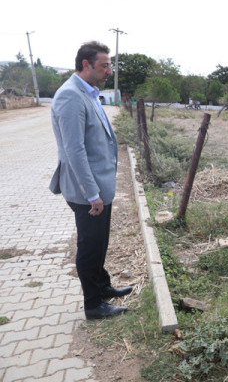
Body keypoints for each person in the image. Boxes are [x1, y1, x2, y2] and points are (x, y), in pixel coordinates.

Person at [49, 41, 132, 319]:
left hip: (99, 186)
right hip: (87, 190)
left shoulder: (88, 92)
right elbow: (74, 150)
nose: (109, 71)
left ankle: (103, 286)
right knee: (90, 246)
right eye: (104, 66)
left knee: (100, 242)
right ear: (86, 65)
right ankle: (93, 304)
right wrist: (91, 193)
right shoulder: (70, 96)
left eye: (109, 65)